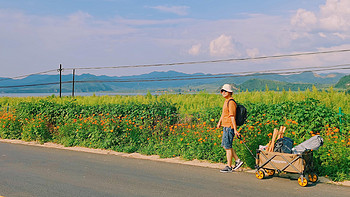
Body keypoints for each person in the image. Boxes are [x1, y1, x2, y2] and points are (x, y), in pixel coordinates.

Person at [217, 84, 243, 172]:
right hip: (225, 126)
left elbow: (232, 116)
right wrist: (219, 122)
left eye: (225, 91)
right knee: (226, 146)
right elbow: (223, 113)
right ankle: (237, 160)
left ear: (230, 92)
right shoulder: (226, 101)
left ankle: (229, 166)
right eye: (222, 91)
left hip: (229, 127)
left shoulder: (231, 102)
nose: (223, 93)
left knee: (227, 147)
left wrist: (235, 130)